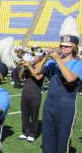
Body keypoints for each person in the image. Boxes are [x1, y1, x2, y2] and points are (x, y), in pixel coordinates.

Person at [41, 17, 82, 153]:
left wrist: (58, 60)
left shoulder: (78, 64)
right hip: (49, 103)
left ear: (74, 47)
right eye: (62, 45)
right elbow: (40, 73)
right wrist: (45, 58)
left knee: (62, 141)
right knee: (47, 139)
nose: (64, 48)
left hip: (66, 105)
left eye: (67, 46)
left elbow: (70, 78)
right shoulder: (53, 62)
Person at [18, 51, 45, 142]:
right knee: (24, 113)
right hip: (25, 92)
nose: (33, 57)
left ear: (40, 58)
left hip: (35, 93)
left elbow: (38, 77)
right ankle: (25, 132)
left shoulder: (43, 67)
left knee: (34, 114)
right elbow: (20, 77)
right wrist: (24, 66)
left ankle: (32, 133)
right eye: (33, 55)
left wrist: (29, 66)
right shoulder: (30, 66)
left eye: (35, 56)